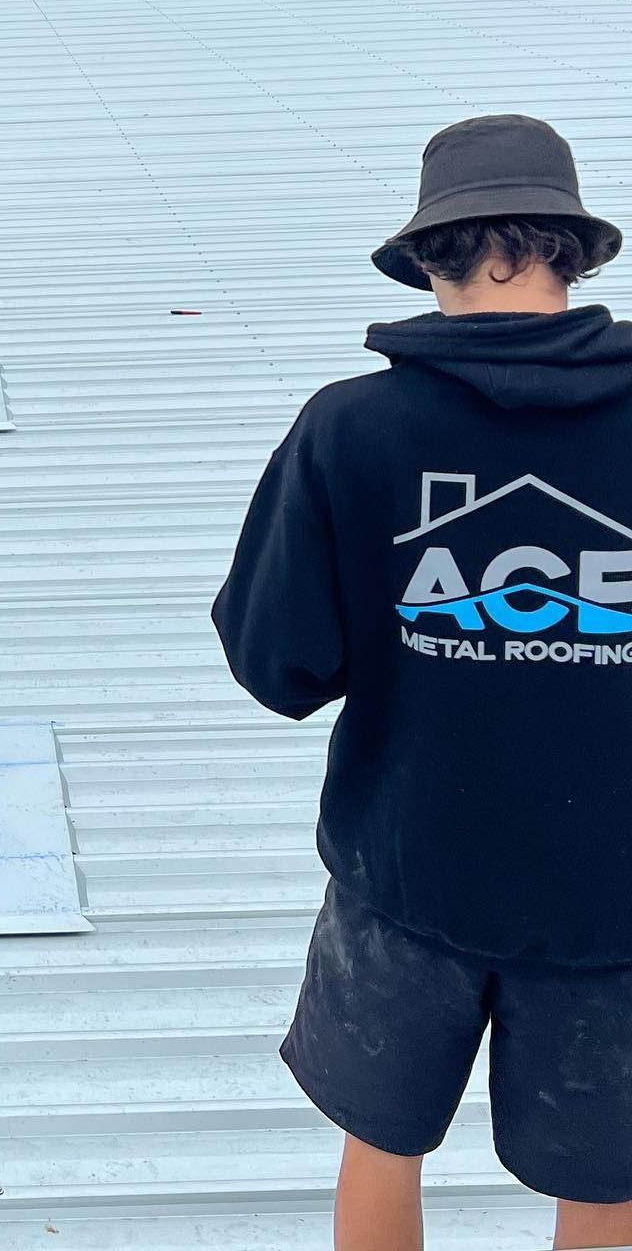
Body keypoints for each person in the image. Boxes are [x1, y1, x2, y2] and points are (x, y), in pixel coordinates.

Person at [212, 115, 632, 1250]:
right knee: (606, 1188)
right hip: (615, 903)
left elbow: (278, 664)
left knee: (382, 1149)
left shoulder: (353, 429)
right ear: (576, 254)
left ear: (430, 258)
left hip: (408, 882)